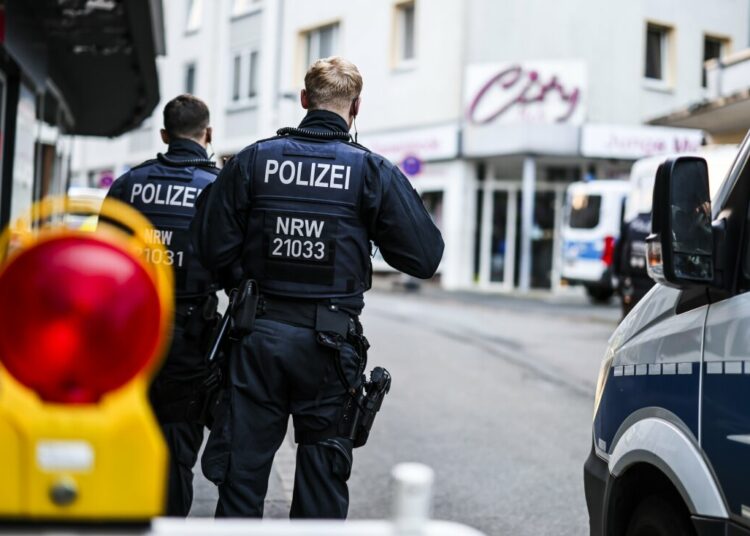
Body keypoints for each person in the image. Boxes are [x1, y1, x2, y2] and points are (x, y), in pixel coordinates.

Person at [191, 56, 444, 519]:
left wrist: (244, 287)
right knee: (321, 489)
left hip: (256, 338)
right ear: (356, 107)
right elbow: (424, 258)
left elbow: (208, 244)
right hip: (330, 346)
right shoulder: (371, 172)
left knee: (242, 480)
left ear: (304, 100)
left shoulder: (252, 160)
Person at [103, 94, 220, 516]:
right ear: (207, 135)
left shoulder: (129, 184)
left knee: (124, 434)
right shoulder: (217, 188)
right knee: (175, 450)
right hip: (190, 338)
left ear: (165, 135)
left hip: (129, 332)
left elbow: (105, 258)